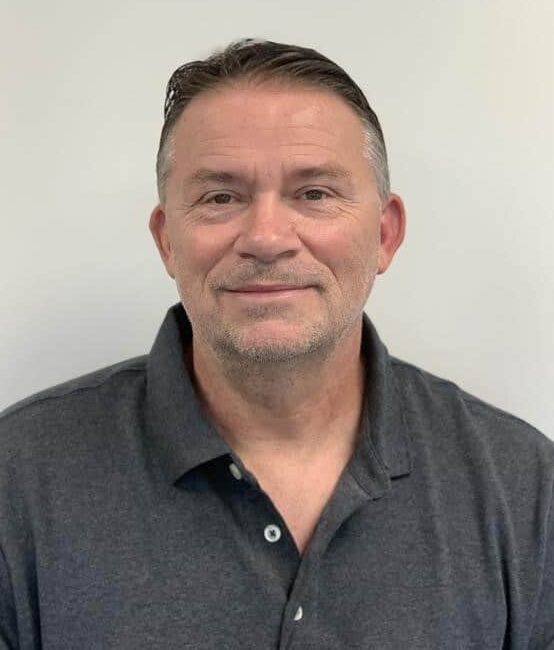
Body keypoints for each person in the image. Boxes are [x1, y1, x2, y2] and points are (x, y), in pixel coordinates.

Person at [0, 38, 552, 650]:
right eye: (221, 197)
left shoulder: (524, 486)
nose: (266, 237)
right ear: (167, 241)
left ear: (385, 234)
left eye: (314, 193)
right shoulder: (18, 480)